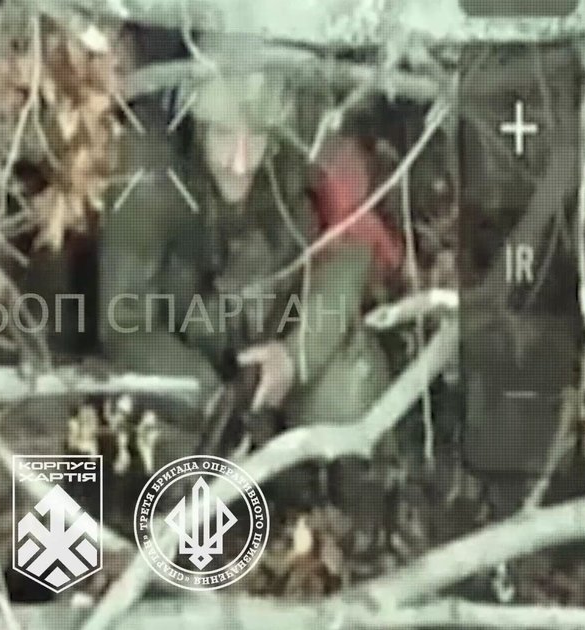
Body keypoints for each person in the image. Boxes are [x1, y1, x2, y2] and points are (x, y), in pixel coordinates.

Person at [98, 67, 391, 446]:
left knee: (348, 392)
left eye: (256, 136)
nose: (240, 163)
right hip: (185, 355)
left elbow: (348, 256)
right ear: (196, 126)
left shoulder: (310, 135)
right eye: (223, 134)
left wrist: (295, 356)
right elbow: (125, 323)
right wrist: (209, 397)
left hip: (277, 328)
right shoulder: (149, 172)